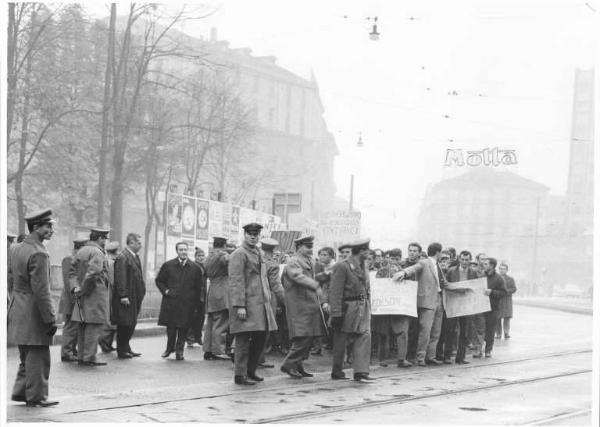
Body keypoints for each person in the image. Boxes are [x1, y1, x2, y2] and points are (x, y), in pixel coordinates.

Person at [8, 209, 59, 407]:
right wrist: (50, 318)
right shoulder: (39, 253)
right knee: (39, 355)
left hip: (18, 308)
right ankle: (37, 396)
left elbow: (11, 279)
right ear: (36, 227)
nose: (52, 230)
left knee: (26, 355)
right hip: (34, 311)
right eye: (48, 226)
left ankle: (22, 392)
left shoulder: (16, 248)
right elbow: (42, 291)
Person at [228, 223, 284, 385]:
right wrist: (239, 306)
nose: (253, 237)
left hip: (261, 304)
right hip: (246, 304)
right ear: (244, 235)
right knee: (243, 341)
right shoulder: (239, 254)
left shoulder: (258, 252)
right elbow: (236, 281)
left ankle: (251, 370)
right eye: (250, 234)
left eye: (256, 234)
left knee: (260, 340)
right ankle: (240, 374)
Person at [280, 236, 327, 379]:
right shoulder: (293, 261)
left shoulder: (310, 261)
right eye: (307, 246)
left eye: (311, 246)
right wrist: (315, 285)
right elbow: (297, 277)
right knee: (302, 337)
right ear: (299, 247)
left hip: (309, 304)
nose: (310, 249)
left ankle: (298, 364)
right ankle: (289, 364)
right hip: (300, 305)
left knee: (310, 336)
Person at [329, 238, 375, 382]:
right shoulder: (342, 266)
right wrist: (336, 313)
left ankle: (361, 372)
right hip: (348, 306)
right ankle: (337, 371)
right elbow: (335, 291)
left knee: (364, 336)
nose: (368, 253)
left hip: (362, 305)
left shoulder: (364, 265)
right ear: (360, 251)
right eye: (366, 250)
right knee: (341, 339)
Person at [394, 242, 446, 367]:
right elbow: (414, 268)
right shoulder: (425, 262)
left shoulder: (437, 265)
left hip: (438, 299)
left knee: (436, 331)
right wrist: (403, 273)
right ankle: (421, 357)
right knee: (425, 330)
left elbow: (442, 282)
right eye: (441, 252)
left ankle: (431, 356)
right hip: (427, 301)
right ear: (438, 252)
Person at [156, 241, 205, 361]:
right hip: (171, 303)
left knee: (183, 328)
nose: (183, 252)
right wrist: (166, 291)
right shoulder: (168, 265)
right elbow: (159, 280)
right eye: (181, 250)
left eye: (185, 250)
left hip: (187, 304)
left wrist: (197, 304)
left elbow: (198, 287)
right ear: (176, 251)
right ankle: (169, 348)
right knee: (171, 328)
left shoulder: (195, 268)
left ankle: (179, 351)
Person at [70, 227, 111, 367]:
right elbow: (94, 273)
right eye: (105, 238)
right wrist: (84, 290)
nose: (105, 241)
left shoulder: (81, 251)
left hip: (81, 294)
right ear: (100, 238)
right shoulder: (97, 252)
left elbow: (72, 273)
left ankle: (82, 356)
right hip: (94, 294)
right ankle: (90, 357)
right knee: (94, 325)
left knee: (82, 325)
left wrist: (76, 289)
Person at [372, 248, 413, 368]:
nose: (394, 261)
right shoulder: (380, 271)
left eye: (397, 258)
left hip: (400, 307)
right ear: (387, 258)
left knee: (402, 332)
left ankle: (401, 359)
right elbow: (377, 287)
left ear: (400, 259)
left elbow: (409, 288)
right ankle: (382, 359)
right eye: (392, 258)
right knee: (383, 333)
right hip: (384, 306)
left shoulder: (405, 272)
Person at [111, 233, 146, 359]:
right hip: (127, 297)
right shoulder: (123, 257)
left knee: (130, 323)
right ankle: (122, 350)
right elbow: (121, 278)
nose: (141, 246)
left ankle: (126, 348)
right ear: (131, 243)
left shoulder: (133, 256)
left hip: (134, 296)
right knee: (125, 324)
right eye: (139, 243)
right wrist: (123, 295)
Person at [443, 250, 479, 364]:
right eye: (462, 259)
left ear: (470, 260)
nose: (464, 262)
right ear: (459, 259)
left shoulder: (473, 273)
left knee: (465, 332)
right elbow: (446, 285)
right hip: (454, 304)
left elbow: (476, 287)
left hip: (466, 306)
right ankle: (447, 356)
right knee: (450, 331)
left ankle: (461, 357)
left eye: (467, 260)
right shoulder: (451, 271)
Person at [203, 237, 232, 361]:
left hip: (212, 290)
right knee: (222, 322)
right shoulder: (222, 255)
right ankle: (219, 350)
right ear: (224, 245)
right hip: (223, 290)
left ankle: (208, 349)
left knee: (211, 322)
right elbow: (228, 261)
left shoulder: (209, 256)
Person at [59, 238, 87, 362]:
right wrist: (74, 299)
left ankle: (72, 350)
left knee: (75, 326)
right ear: (79, 248)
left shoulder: (76, 260)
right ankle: (66, 352)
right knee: (70, 326)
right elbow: (67, 282)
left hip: (75, 298)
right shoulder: (69, 260)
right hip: (71, 299)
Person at [258, 237, 283, 368]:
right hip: (268, 298)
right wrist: (285, 301)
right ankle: (260, 358)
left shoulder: (257, 259)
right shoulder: (273, 264)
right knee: (266, 328)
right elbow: (276, 286)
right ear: (273, 249)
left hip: (254, 297)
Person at [481, 257, 508, 357]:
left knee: (490, 330)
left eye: (486, 264)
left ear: (492, 266)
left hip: (493, 308)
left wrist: (492, 292)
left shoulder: (499, 278)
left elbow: (504, 293)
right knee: (480, 329)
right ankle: (479, 348)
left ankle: (488, 350)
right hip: (480, 307)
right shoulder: (481, 275)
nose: (484, 265)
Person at [312, 246, 336, 355]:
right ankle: (319, 346)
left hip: (331, 298)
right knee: (319, 322)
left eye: (325, 255)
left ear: (331, 256)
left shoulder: (335, 267)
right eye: (320, 254)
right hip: (320, 297)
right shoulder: (319, 266)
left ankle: (331, 345)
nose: (322, 257)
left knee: (331, 323)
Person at [401, 242, 422, 362]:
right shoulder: (402, 264)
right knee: (403, 328)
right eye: (410, 250)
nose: (412, 253)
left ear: (419, 253)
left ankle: (411, 355)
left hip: (416, 300)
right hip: (403, 301)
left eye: (415, 251)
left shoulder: (421, 265)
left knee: (414, 329)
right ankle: (402, 356)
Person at [99, 241, 120, 353]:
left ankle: (108, 343)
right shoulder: (112, 262)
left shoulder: (107, 260)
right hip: (110, 293)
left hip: (108, 292)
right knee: (109, 318)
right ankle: (105, 343)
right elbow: (112, 280)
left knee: (110, 318)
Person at [187, 248, 207, 348]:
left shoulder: (205, 267)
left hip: (203, 296)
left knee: (201, 317)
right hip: (194, 297)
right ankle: (190, 339)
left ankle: (198, 338)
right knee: (192, 318)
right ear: (195, 257)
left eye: (202, 256)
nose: (201, 258)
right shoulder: (192, 267)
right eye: (198, 256)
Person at [496, 262, 517, 339]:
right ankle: (498, 334)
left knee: (507, 318)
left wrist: (507, 291)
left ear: (507, 270)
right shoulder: (496, 278)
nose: (502, 270)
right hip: (498, 300)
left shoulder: (510, 279)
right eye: (500, 269)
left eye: (504, 269)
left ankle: (506, 333)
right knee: (497, 318)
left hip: (507, 300)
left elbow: (514, 289)